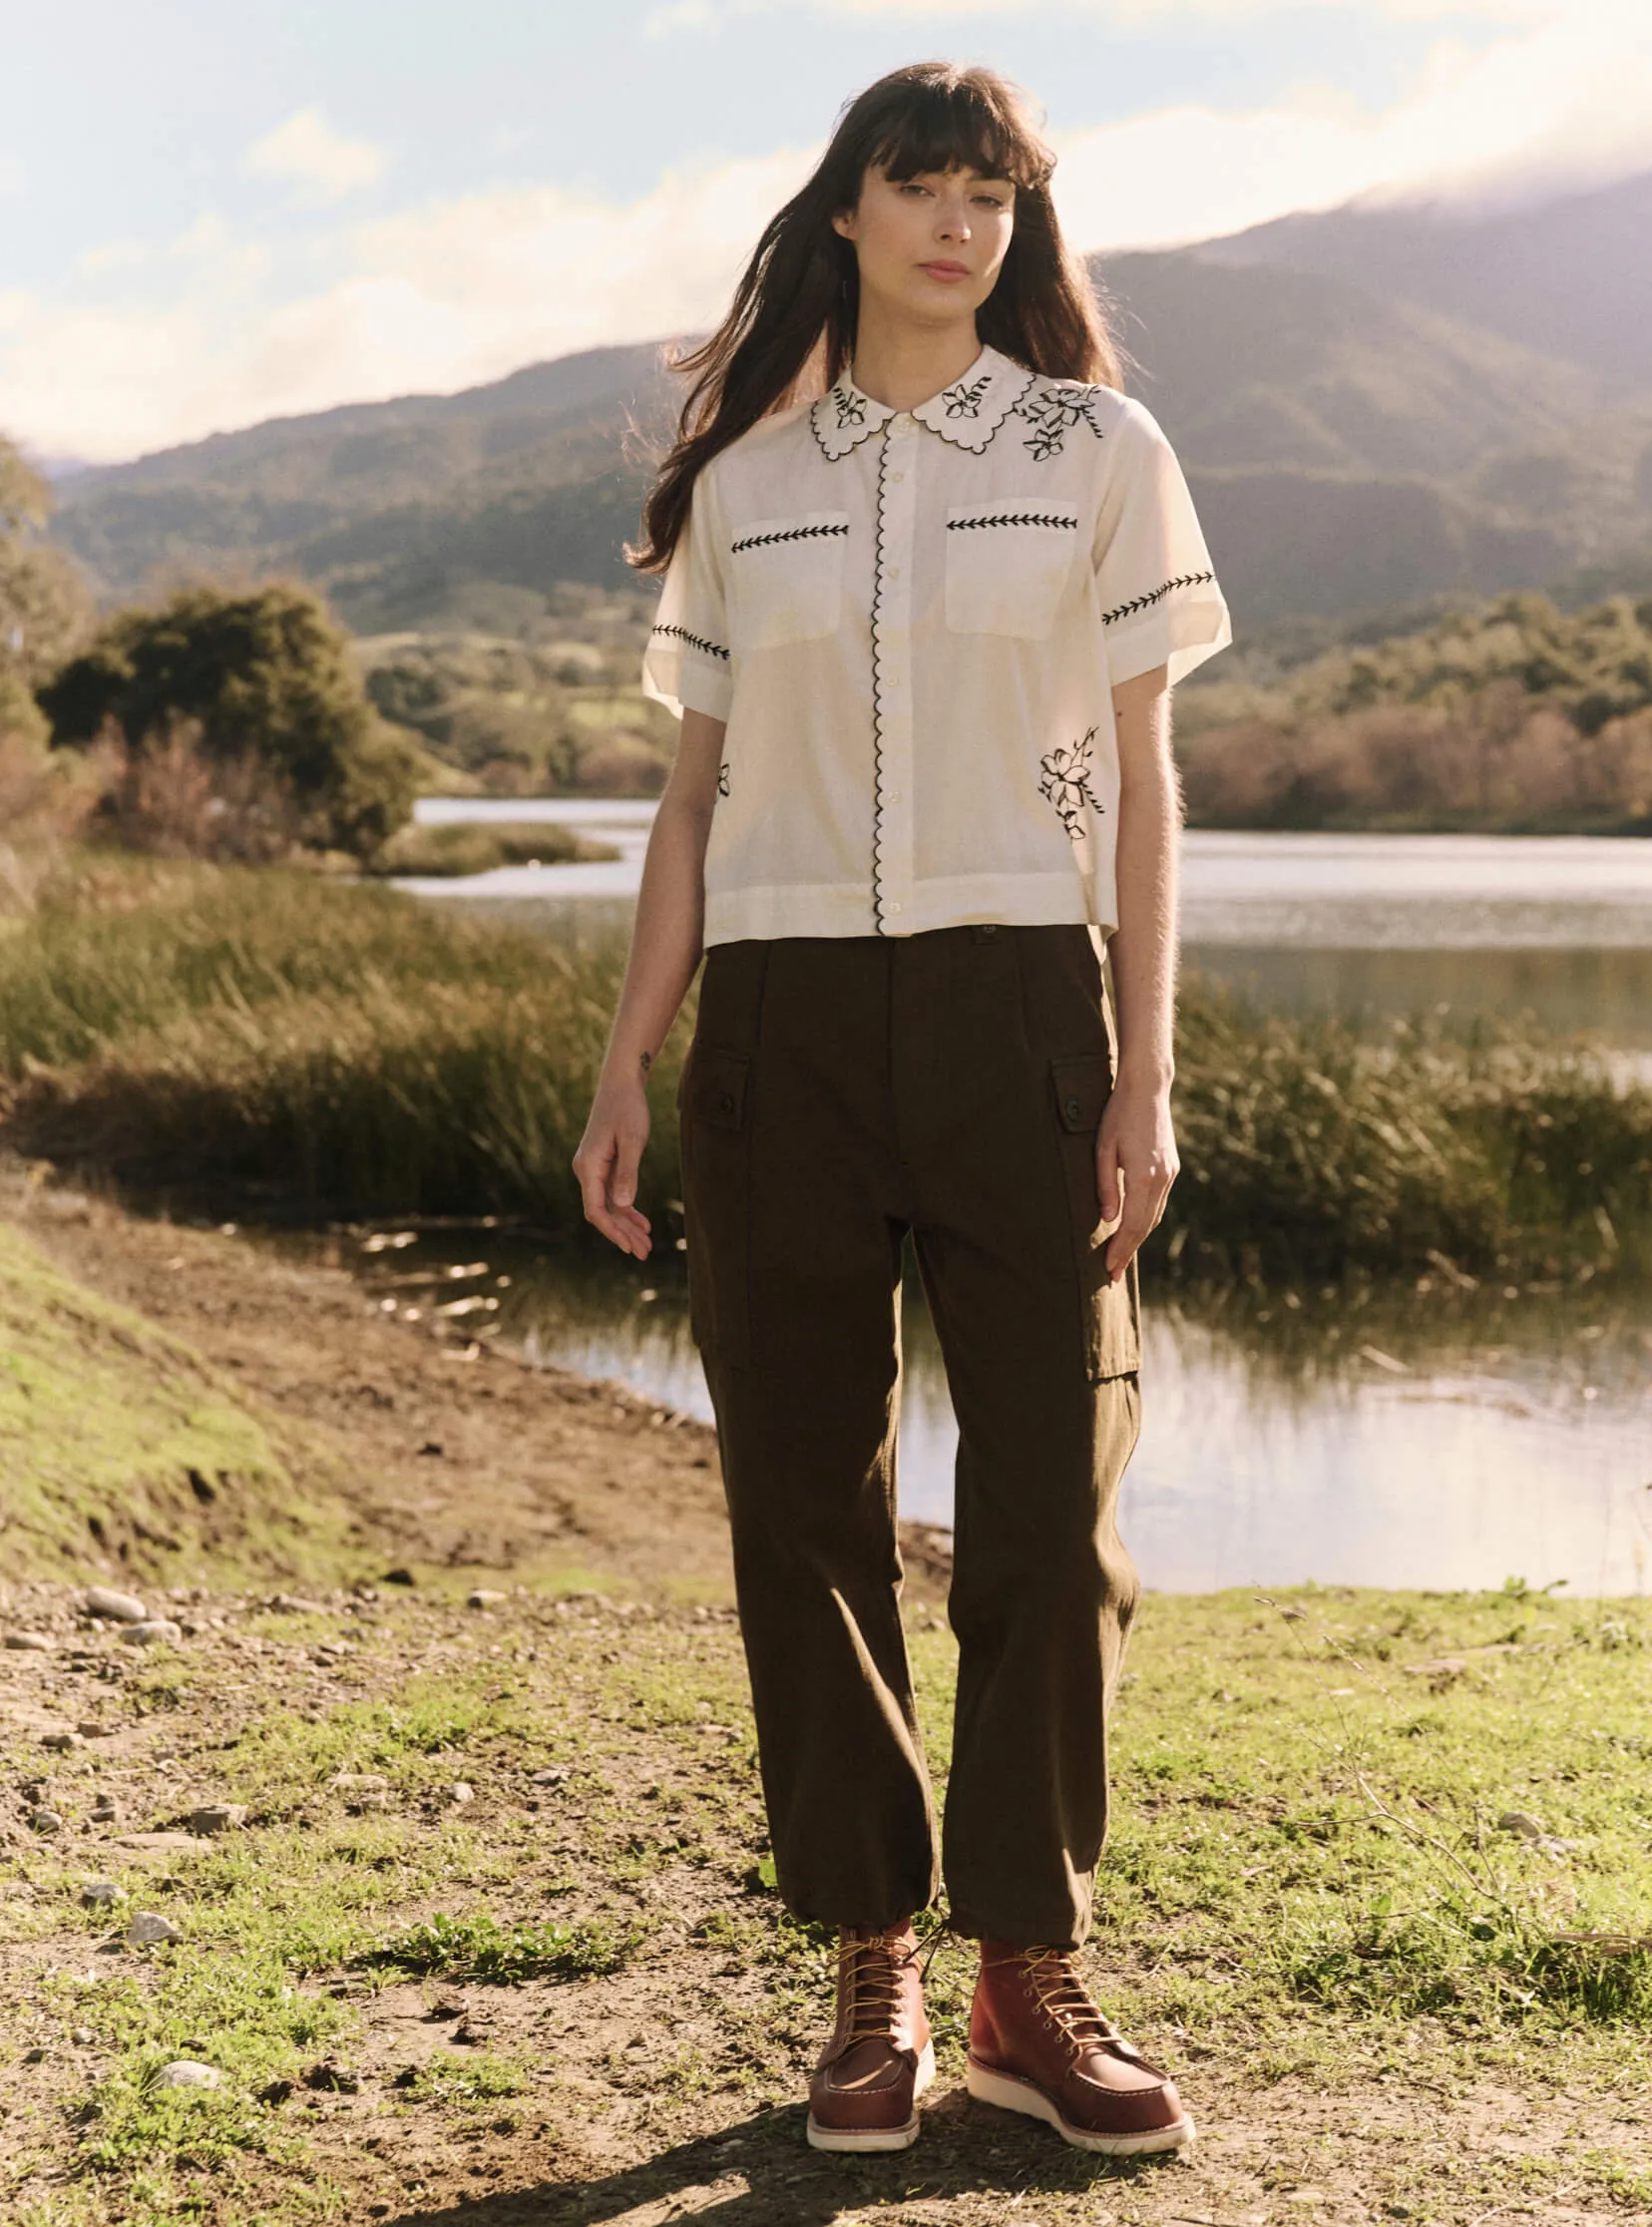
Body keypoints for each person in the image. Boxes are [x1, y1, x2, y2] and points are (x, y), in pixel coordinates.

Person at [574, 60, 1230, 2160]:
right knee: (802, 1503)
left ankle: (1027, 1971)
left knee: (1053, 1490)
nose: (960, 223)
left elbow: (1145, 779)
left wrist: (1143, 1068)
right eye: (919, 186)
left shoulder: (1098, 448)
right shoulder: (742, 482)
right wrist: (630, 1056)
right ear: (842, 213)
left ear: (1024, 228)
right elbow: (690, 802)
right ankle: (872, 1959)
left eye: (994, 194)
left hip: (1019, 1003)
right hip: (774, 1024)